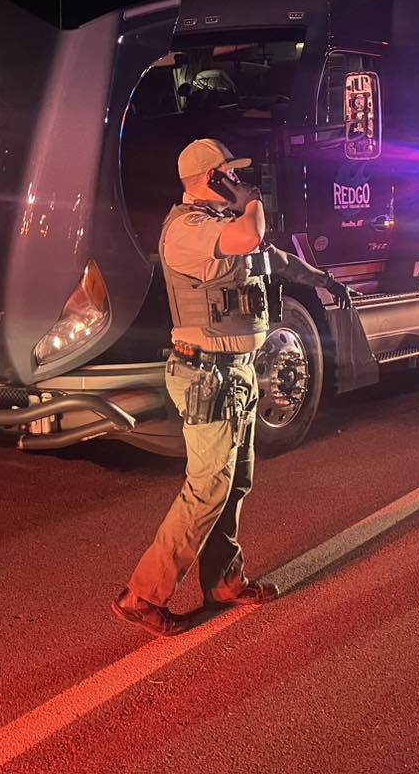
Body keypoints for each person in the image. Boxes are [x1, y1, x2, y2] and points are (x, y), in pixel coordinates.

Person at [113, 138, 355, 635]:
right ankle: (142, 596)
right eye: (231, 174)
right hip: (206, 374)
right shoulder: (188, 229)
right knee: (208, 487)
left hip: (237, 373)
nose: (240, 181)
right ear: (211, 178)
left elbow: (273, 258)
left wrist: (325, 281)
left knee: (235, 481)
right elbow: (251, 236)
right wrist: (252, 201)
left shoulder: (222, 226)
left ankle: (225, 580)